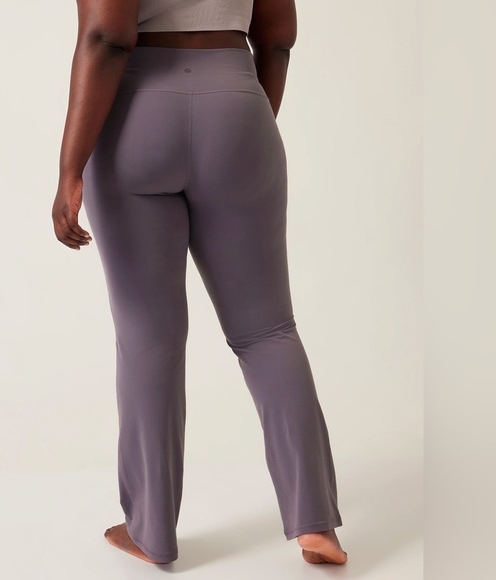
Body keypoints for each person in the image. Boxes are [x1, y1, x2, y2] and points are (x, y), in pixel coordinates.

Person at [51, 0, 348, 567]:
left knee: (148, 336)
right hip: (236, 103)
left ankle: (151, 532)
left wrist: (70, 167)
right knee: (268, 331)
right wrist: (241, 121)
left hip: (135, 112)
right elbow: (278, 37)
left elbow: (107, 37)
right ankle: (317, 525)